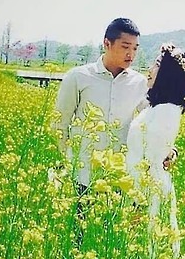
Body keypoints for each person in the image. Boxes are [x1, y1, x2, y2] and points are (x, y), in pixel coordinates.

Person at [54, 18, 148, 191]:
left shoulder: (140, 83)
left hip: (119, 179)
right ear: (107, 44)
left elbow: (151, 122)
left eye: (135, 48)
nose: (131, 54)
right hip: (81, 175)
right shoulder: (77, 77)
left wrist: (169, 149)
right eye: (125, 47)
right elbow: (60, 124)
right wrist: (65, 164)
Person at [125, 43, 185, 257]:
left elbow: (152, 161)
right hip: (141, 189)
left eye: (157, 64)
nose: (150, 69)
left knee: (146, 251)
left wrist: (138, 204)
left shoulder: (166, 111)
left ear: (167, 73)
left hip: (148, 191)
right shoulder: (157, 107)